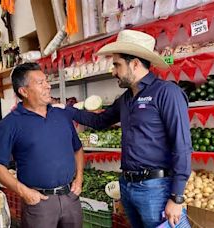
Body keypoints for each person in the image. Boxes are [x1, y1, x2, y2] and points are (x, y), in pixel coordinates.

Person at [64, 30, 192, 228]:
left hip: (156, 188)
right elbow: (100, 121)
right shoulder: (125, 99)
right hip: (127, 185)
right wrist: (65, 111)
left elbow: (182, 146)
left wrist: (176, 197)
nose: (113, 71)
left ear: (134, 64)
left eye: (117, 65)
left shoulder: (167, 93)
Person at [0, 63, 84, 228]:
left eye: (46, 81)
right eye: (40, 83)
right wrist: (24, 192)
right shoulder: (10, 124)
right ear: (23, 91)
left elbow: (77, 148)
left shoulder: (61, 115)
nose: (48, 86)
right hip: (39, 203)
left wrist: (79, 178)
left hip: (70, 197)